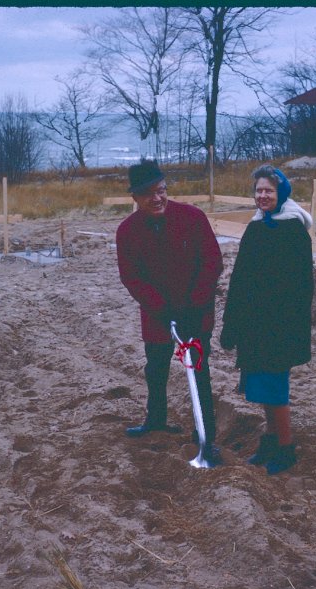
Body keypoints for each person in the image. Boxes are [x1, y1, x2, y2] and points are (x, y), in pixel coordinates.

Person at [116, 159, 224, 466]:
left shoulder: (192, 217)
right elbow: (131, 277)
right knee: (156, 367)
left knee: (198, 371)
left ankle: (206, 437)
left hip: (196, 311)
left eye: (161, 190)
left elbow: (212, 261)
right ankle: (156, 419)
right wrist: (161, 309)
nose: (157, 198)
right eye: (148, 193)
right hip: (157, 314)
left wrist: (195, 303)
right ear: (134, 198)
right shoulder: (127, 231)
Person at [220, 164, 314, 475]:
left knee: (275, 388)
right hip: (254, 325)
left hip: (280, 325)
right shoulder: (256, 227)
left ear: (281, 193)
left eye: (268, 191)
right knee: (260, 386)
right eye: (259, 190)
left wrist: (287, 324)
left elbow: (302, 285)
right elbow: (241, 280)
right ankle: (271, 440)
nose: (263, 195)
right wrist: (231, 325)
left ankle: (286, 448)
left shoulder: (293, 230)